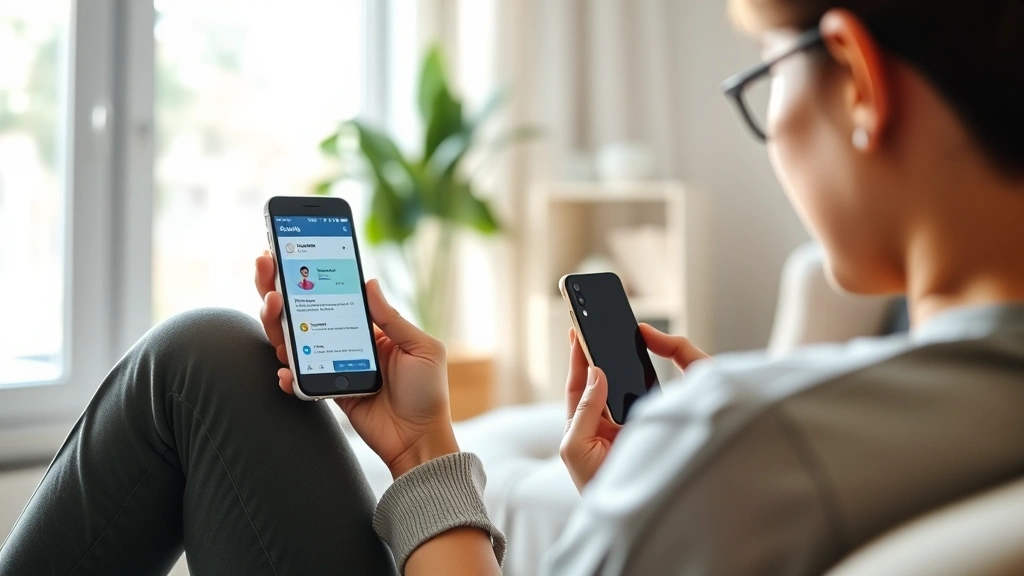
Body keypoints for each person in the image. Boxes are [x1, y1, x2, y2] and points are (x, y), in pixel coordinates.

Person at [2, 0, 1024, 574]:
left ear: (855, 79)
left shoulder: (751, 445)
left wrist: (428, 456)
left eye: (763, 82)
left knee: (200, 361)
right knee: (212, 354)